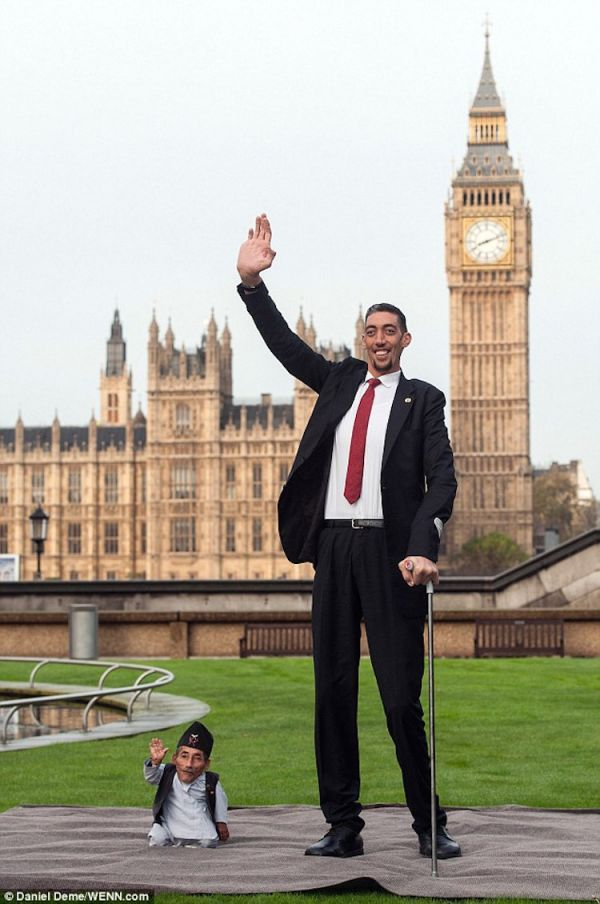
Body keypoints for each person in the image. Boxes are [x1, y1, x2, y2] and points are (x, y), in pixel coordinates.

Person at [236, 214, 460, 860]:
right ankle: (342, 824)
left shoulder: (423, 401)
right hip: (333, 547)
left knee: (398, 701)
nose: (380, 340)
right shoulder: (336, 381)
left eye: (390, 331)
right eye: (371, 331)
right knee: (331, 693)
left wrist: (424, 545)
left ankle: (429, 820)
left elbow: (441, 482)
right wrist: (252, 284)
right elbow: (283, 345)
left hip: (391, 555)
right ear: (362, 338)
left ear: (406, 339)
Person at [143, 720, 229, 848]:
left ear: (206, 764)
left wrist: (221, 822)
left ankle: (190, 845)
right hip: (169, 823)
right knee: (157, 838)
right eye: (184, 756)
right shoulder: (167, 772)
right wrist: (154, 762)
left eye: (197, 758)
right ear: (174, 759)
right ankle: (173, 842)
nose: (189, 764)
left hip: (197, 824)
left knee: (208, 842)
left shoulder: (210, 782)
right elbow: (151, 777)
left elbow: (220, 801)